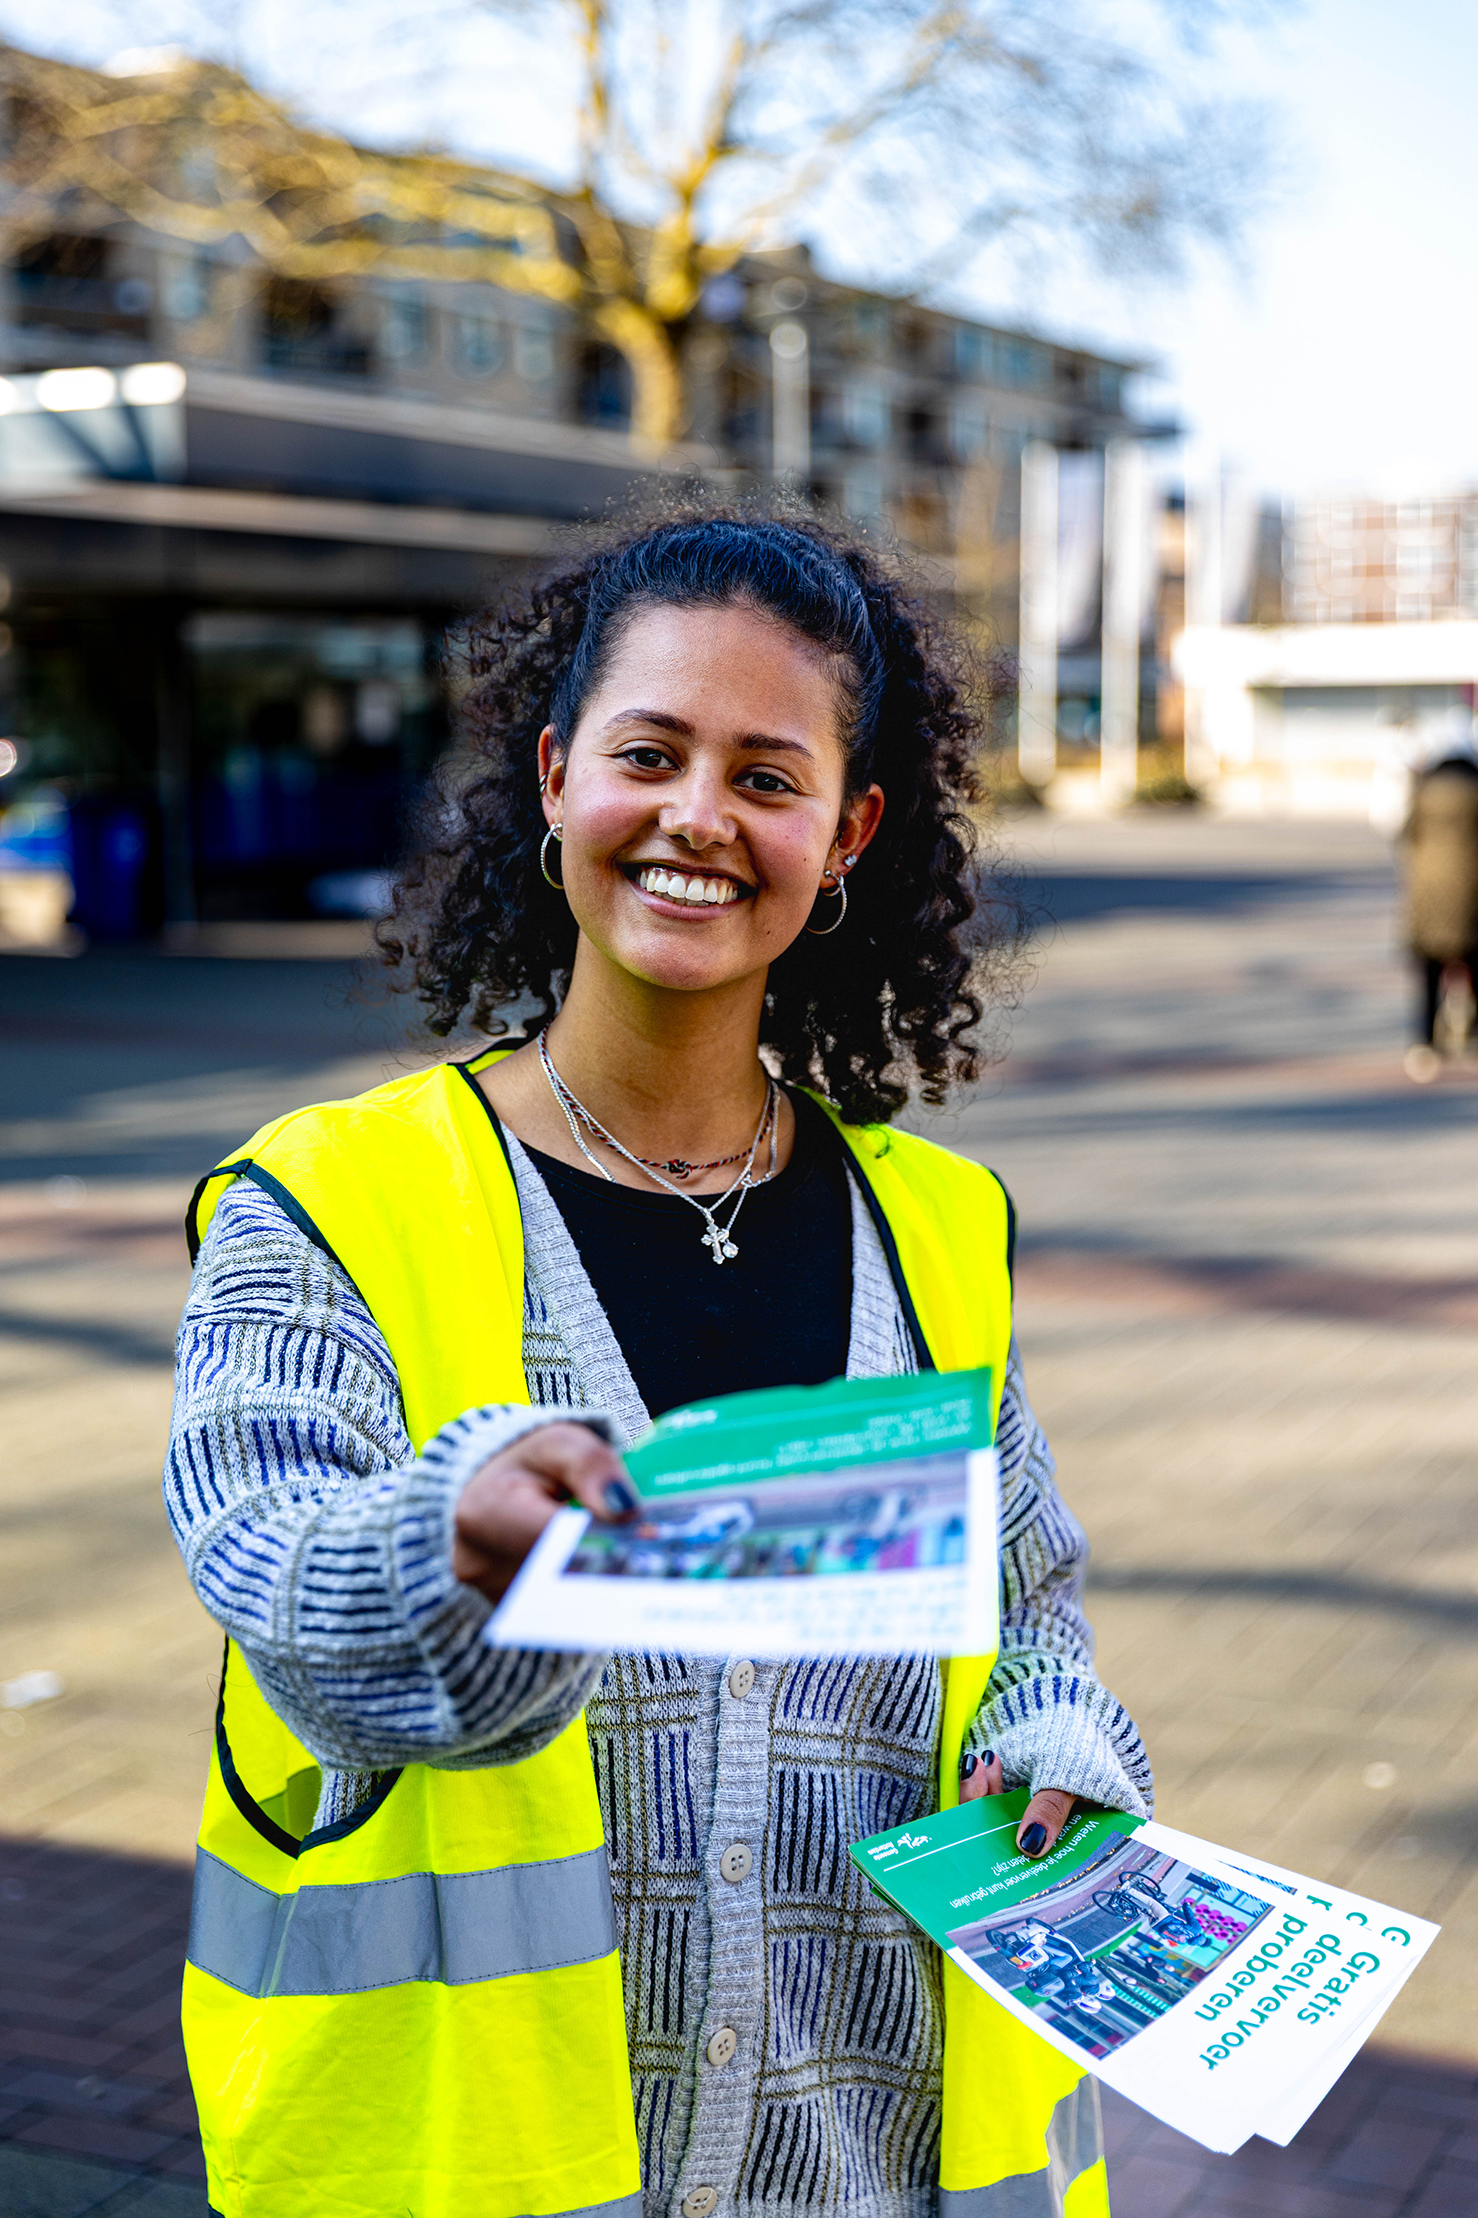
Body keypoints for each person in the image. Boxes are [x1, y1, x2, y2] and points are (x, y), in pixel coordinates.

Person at [166, 513, 1151, 2218]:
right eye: (649, 753)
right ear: (554, 777)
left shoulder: (931, 1227)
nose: (698, 815)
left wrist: (1053, 1731)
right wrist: (449, 1539)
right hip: (474, 2173)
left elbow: (1023, 1605)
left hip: (876, 2169)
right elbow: (268, 1557)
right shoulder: (332, 1200)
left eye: (765, 775)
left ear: (843, 833)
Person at [1400, 734, 1478, 1082]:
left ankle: (1425, 1046)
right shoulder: (1476, 794)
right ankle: (1472, 1034)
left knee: (1429, 973)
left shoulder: (1422, 793)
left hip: (1428, 896)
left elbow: (1406, 835)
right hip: (1471, 896)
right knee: (1473, 966)